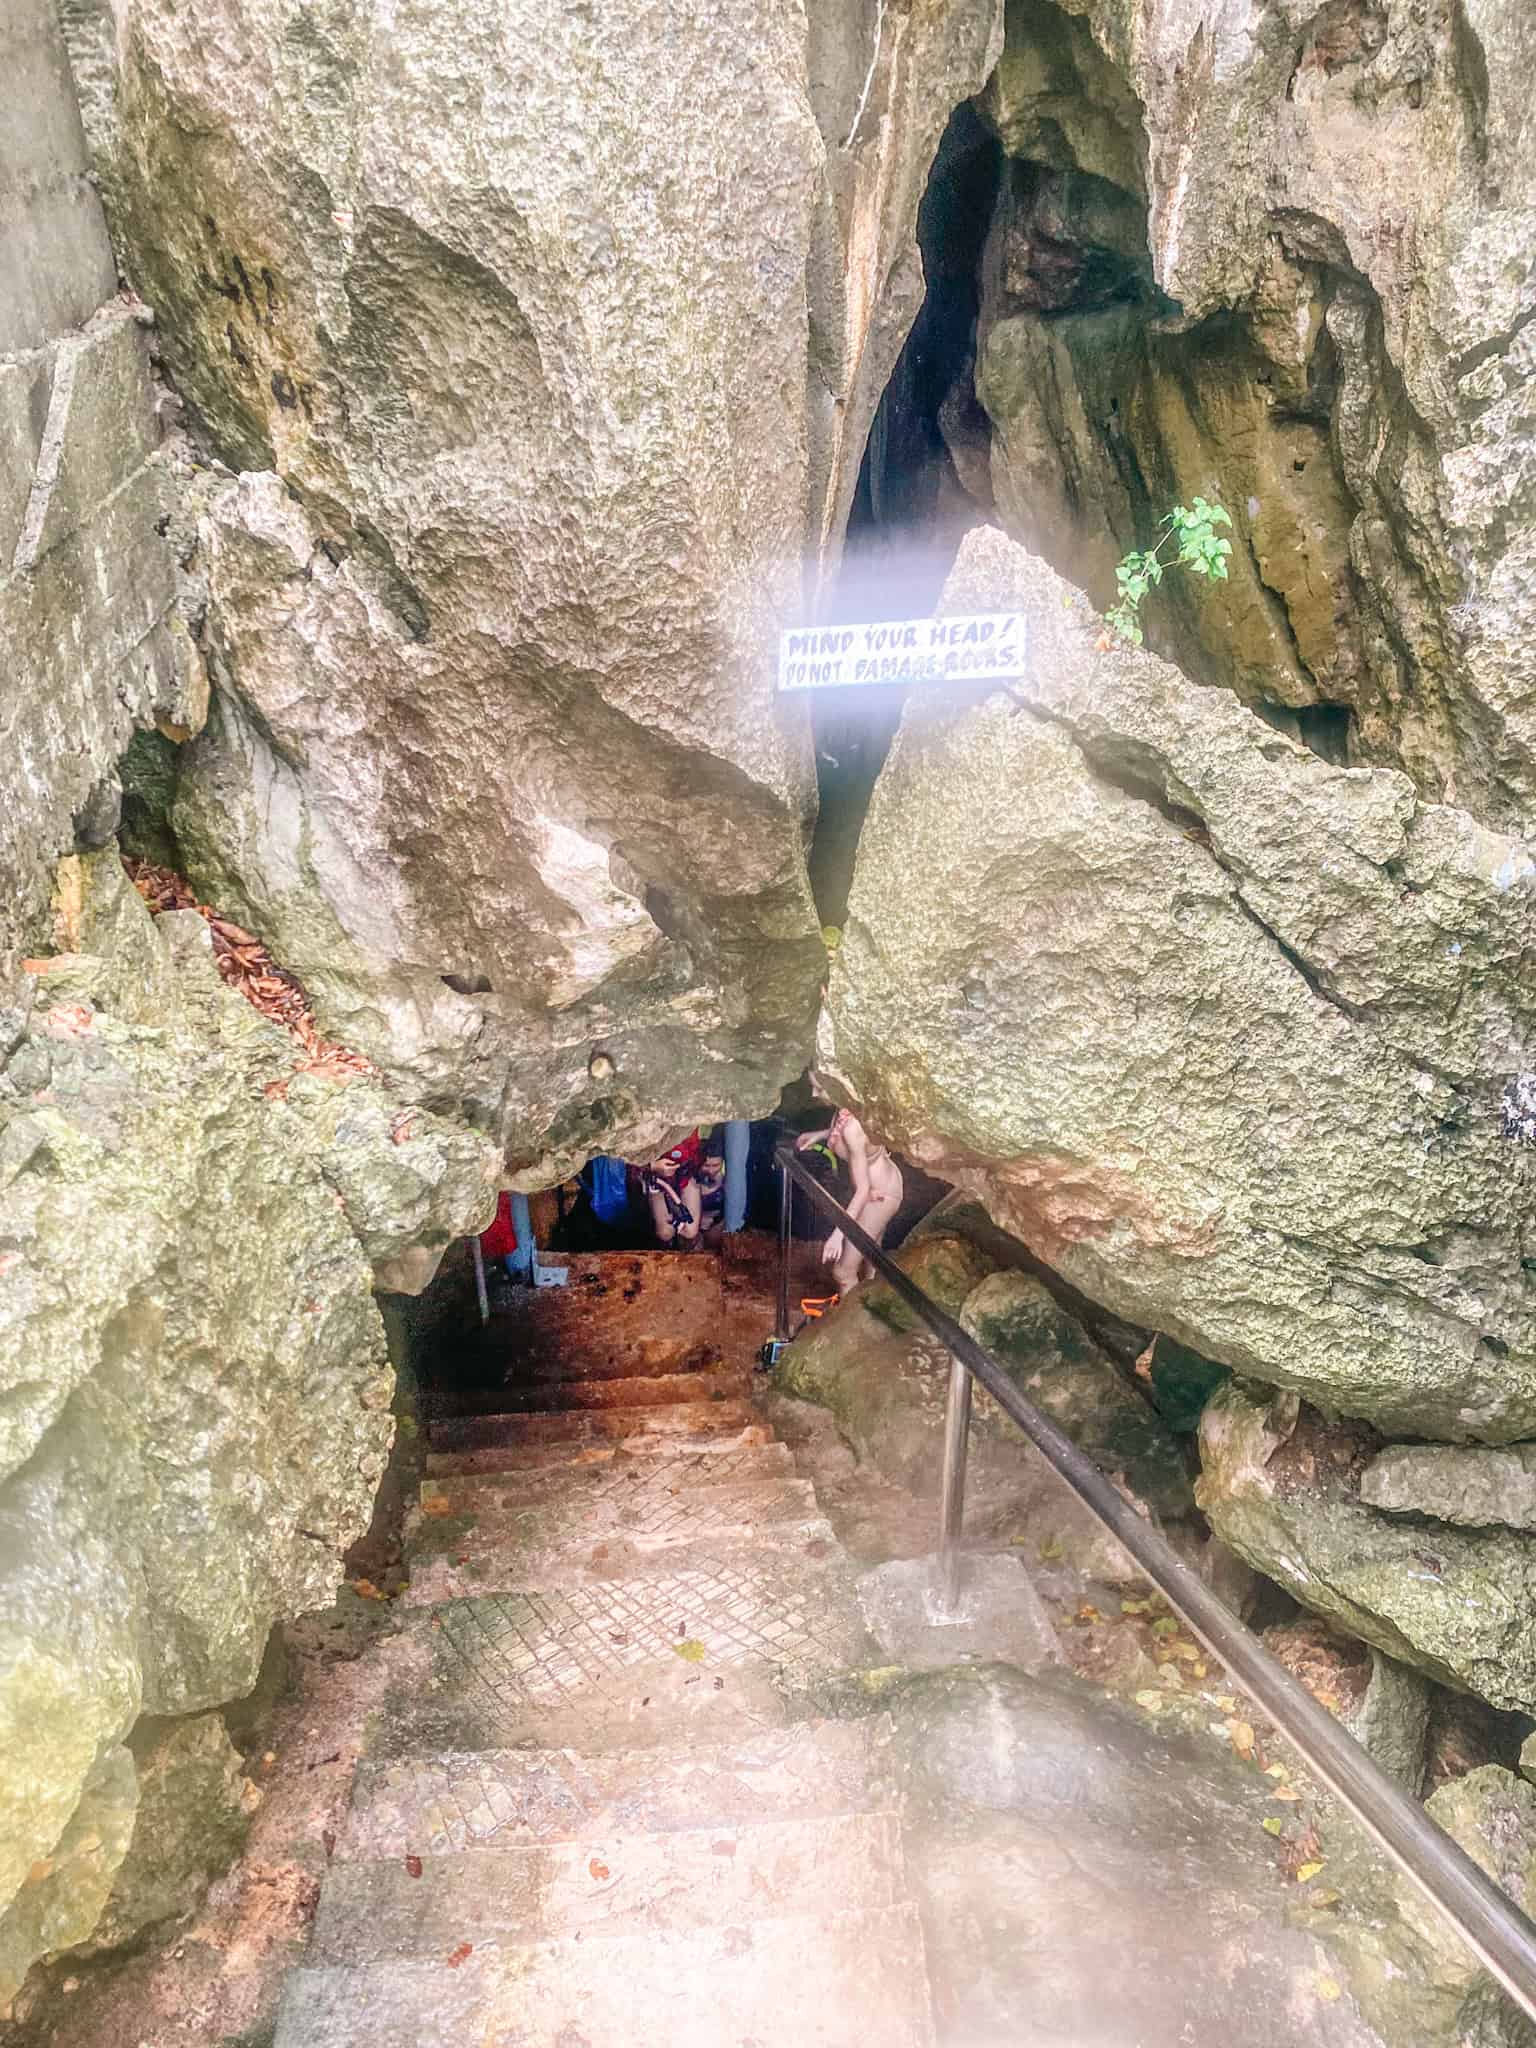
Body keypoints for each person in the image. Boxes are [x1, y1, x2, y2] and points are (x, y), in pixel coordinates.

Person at [795, 1104, 903, 1294]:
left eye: (819, 1087)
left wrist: (839, 1234)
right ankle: (871, 1312)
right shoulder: (848, 1110)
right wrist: (820, 1135)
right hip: (877, 1189)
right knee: (872, 1261)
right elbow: (849, 1133)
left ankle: (850, 1322)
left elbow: (863, 1190)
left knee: (843, 1272)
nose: (813, 1094)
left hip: (879, 1195)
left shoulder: (853, 1129)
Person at [643, 1130, 704, 1247]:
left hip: (686, 1173)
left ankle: (687, 1246)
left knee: (690, 1232)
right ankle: (665, 1246)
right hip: (657, 1177)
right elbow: (627, 1159)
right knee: (665, 1233)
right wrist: (652, 1166)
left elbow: (697, 1155)